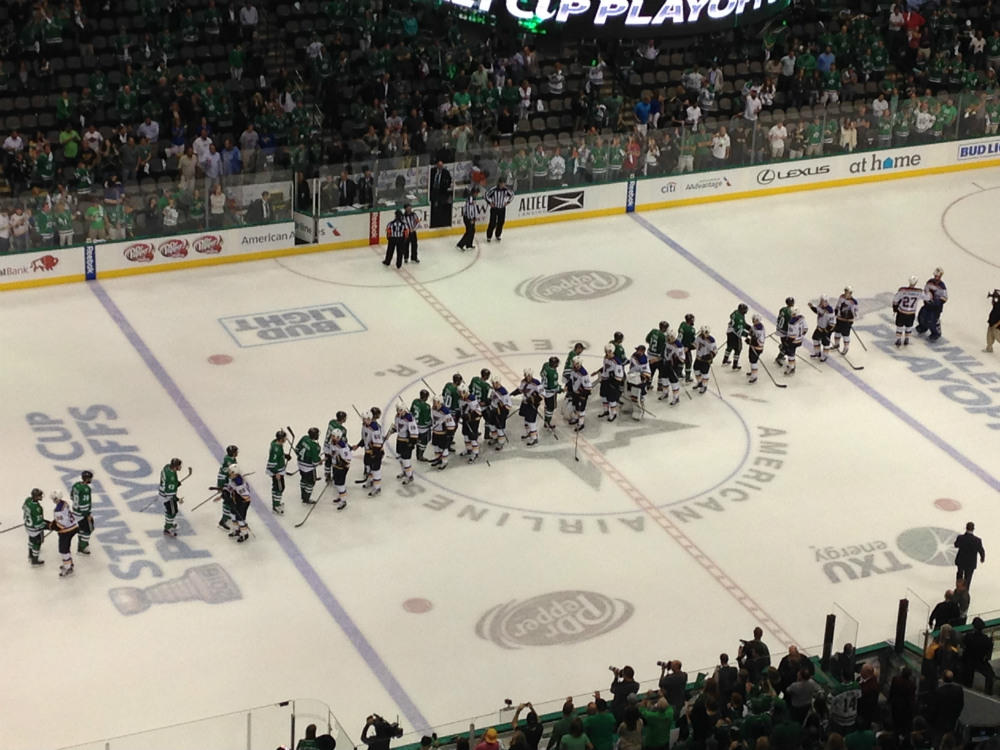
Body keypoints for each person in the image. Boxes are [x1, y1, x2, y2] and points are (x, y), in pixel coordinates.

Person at [960, 617, 995, 694]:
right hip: (980, 662)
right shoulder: (986, 639)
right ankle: (988, 692)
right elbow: (988, 655)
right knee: (990, 675)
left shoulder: (968, 636)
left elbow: (962, 647)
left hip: (967, 661)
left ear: (974, 627)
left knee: (966, 678)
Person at [386, 404, 418, 482]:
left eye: (400, 410)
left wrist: (411, 443)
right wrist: (390, 433)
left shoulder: (409, 419)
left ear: (404, 410)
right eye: (397, 410)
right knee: (400, 458)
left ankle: (410, 476)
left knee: (406, 460)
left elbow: (414, 433)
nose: (398, 411)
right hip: (399, 440)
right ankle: (404, 471)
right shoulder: (397, 417)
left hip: (407, 442)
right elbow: (398, 428)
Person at [512, 368, 543, 445]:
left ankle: (534, 438)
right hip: (525, 403)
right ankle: (529, 433)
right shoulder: (523, 381)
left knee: (531, 421)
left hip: (532, 405)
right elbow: (521, 390)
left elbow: (542, 395)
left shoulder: (537, 383)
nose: (528, 377)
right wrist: (514, 393)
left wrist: (535, 400)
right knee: (526, 419)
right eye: (526, 375)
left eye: (529, 375)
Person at [52, 490, 79, 577]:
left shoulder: (58, 510)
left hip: (67, 530)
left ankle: (68, 568)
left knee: (63, 550)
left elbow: (62, 524)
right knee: (66, 547)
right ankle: (70, 564)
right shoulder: (64, 503)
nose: (53, 500)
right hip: (74, 526)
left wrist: (54, 526)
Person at [916, 267, 947, 340]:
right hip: (927, 305)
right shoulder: (930, 282)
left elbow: (944, 298)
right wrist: (926, 298)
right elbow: (926, 290)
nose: (936, 278)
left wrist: (937, 302)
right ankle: (923, 327)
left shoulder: (942, 286)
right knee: (921, 316)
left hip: (936, 308)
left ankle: (936, 333)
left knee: (932, 321)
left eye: (938, 276)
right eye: (935, 276)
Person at [892, 276, 924, 348]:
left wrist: (894, 308)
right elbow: (927, 297)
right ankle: (907, 339)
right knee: (908, 326)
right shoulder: (919, 292)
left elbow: (895, 300)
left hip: (902, 311)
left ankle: (898, 340)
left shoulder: (903, 291)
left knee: (899, 326)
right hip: (911, 313)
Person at [359, 411, 385, 496]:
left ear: (369, 419)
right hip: (368, 451)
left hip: (376, 452)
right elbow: (364, 438)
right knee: (368, 466)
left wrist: (374, 453)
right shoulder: (364, 426)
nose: (363, 420)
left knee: (375, 469)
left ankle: (377, 487)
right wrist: (359, 445)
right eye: (363, 419)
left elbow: (378, 444)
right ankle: (370, 481)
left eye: (364, 419)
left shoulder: (375, 428)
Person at [597, 344, 625, 422]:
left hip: (612, 383)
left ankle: (613, 413)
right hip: (605, 380)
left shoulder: (617, 362)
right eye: (606, 351)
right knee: (603, 396)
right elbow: (605, 367)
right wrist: (600, 373)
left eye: (609, 351)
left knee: (612, 399)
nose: (607, 353)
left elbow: (620, 376)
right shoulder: (605, 358)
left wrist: (614, 383)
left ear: (612, 351)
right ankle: (606, 410)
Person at [954, 521, 985, 589]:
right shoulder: (977, 540)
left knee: (959, 574)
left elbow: (956, 545)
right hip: (971, 563)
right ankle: (965, 592)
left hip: (961, 560)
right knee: (968, 577)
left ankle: (958, 589)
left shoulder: (960, 537)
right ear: (973, 529)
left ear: (966, 528)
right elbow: (981, 550)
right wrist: (982, 558)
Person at [70, 469, 94, 555]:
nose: (91, 479)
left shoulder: (76, 485)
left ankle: (81, 544)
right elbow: (85, 503)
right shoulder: (86, 489)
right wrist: (87, 514)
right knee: (88, 530)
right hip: (82, 514)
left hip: (75, 512)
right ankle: (82, 548)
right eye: (90, 478)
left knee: (82, 529)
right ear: (87, 479)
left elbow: (72, 496)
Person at [225, 463, 252, 542]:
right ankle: (236, 530)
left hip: (243, 502)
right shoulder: (233, 479)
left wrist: (230, 499)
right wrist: (225, 491)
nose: (229, 473)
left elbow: (246, 496)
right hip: (237, 500)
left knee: (240, 518)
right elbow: (230, 487)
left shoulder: (240, 483)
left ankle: (244, 533)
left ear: (235, 473)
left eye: (230, 472)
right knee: (233, 514)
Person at [295, 428, 322, 503]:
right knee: (311, 482)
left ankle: (303, 495)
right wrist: (320, 461)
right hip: (309, 468)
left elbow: (297, 449)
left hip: (300, 464)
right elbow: (315, 462)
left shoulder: (304, 438)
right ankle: (306, 499)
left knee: (303, 479)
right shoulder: (315, 446)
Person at [159, 457, 184, 537]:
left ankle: (169, 524)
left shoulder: (167, 467)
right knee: (172, 512)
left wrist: (176, 483)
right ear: (175, 466)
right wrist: (178, 499)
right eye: (179, 466)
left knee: (172, 511)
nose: (180, 467)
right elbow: (170, 494)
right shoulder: (171, 479)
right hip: (167, 497)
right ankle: (167, 529)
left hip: (163, 493)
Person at [23, 488, 48, 566]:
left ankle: (30, 554)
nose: (41, 496)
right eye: (40, 495)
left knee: (31, 540)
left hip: (28, 526)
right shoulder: (37, 508)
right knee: (37, 543)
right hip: (35, 529)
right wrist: (47, 525)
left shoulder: (27, 500)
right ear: (36, 497)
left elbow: (23, 508)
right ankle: (35, 560)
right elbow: (38, 524)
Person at [216, 444, 239, 531]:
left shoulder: (231, 459)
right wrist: (221, 487)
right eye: (236, 451)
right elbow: (222, 475)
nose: (237, 453)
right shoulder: (229, 463)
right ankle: (223, 521)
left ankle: (227, 515)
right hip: (226, 485)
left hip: (230, 484)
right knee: (227, 502)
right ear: (233, 453)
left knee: (231, 501)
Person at [267, 429, 289, 515]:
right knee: (280, 488)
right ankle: (276, 506)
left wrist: (284, 455)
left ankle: (276, 503)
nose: (286, 439)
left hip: (278, 471)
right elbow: (272, 462)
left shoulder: (276, 443)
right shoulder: (276, 449)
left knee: (276, 487)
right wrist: (276, 473)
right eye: (284, 438)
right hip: (277, 472)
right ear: (280, 439)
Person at [485, 177, 514, 242]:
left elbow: (512, 195)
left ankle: (498, 235)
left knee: (501, 222)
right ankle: (489, 236)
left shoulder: (506, 190)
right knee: (492, 223)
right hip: (494, 209)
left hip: (502, 209)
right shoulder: (494, 189)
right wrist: (490, 203)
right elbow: (486, 195)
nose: (503, 185)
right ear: (499, 183)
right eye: (502, 183)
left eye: (504, 183)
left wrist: (508, 202)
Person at [429, 397, 456, 469]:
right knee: (436, 447)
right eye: (433, 401)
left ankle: (444, 462)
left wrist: (449, 434)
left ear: (440, 402)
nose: (434, 403)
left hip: (442, 433)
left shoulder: (445, 411)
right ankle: (438, 459)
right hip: (435, 432)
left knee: (443, 448)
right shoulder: (433, 408)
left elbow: (451, 424)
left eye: (435, 402)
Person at [627, 345, 651, 420]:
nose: (637, 351)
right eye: (637, 350)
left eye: (639, 350)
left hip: (640, 380)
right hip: (632, 377)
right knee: (633, 394)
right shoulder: (634, 355)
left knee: (640, 395)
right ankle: (635, 407)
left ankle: (641, 408)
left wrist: (644, 376)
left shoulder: (644, 359)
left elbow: (645, 372)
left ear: (643, 351)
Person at [808, 296, 836, 361]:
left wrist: (826, 330)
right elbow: (817, 311)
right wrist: (811, 307)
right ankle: (817, 353)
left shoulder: (830, 311)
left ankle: (825, 355)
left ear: (826, 301)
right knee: (815, 338)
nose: (821, 302)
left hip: (826, 330)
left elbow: (832, 323)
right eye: (821, 300)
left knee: (825, 343)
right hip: (819, 327)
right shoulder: (820, 307)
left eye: (822, 301)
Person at [567, 358, 592, 432]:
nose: (574, 365)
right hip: (575, 393)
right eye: (574, 363)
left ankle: (581, 423)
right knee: (575, 406)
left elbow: (588, 388)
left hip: (582, 394)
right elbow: (571, 380)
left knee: (581, 409)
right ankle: (576, 418)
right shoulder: (573, 370)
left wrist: (583, 395)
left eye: (576, 363)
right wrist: (567, 386)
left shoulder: (584, 374)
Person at [329, 429, 351, 510]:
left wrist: (341, 462)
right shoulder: (332, 442)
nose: (333, 438)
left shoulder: (343, 447)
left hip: (342, 468)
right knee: (336, 482)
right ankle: (340, 496)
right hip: (335, 466)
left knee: (340, 484)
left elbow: (348, 459)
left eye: (336, 437)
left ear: (339, 437)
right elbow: (333, 453)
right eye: (333, 436)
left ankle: (343, 501)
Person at [323, 412, 349, 482]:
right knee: (335, 461)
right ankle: (335, 475)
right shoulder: (342, 429)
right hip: (334, 447)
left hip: (326, 444)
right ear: (343, 419)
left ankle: (327, 474)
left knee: (327, 460)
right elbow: (343, 441)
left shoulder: (331, 422)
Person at [783, 309, 808, 376]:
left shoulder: (792, 322)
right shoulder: (802, 318)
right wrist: (801, 336)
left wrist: (787, 342)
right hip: (800, 340)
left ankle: (791, 368)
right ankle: (792, 365)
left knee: (791, 354)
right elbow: (806, 329)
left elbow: (792, 336)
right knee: (792, 353)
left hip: (793, 341)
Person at [723, 303, 748, 370]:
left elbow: (743, 324)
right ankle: (735, 365)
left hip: (729, 331)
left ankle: (725, 360)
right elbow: (739, 331)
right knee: (738, 349)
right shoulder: (739, 318)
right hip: (735, 334)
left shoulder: (736, 312)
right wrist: (747, 335)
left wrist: (749, 327)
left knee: (729, 346)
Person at [833, 287, 858, 355]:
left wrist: (850, 318)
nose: (845, 292)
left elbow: (855, 313)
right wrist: (835, 312)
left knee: (845, 335)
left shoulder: (853, 302)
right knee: (837, 332)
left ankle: (846, 348)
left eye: (847, 291)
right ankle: (836, 344)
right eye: (845, 291)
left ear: (850, 293)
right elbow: (838, 305)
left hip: (847, 321)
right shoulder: (841, 297)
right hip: (839, 319)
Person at [488, 377, 512, 448]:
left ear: (497, 383)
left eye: (494, 383)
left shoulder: (503, 392)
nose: (492, 384)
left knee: (499, 427)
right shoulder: (493, 389)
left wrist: (501, 412)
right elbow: (491, 398)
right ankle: (495, 438)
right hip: (493, 410)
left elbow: (508, 406)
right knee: (491, 424)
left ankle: (501, 442)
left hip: (500, 412)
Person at [540, 356, 562, 431]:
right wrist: (561, 389)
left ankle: (546, 420)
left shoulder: (546, 365)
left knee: (547, 406)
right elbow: (553, 386)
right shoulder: (553, 374)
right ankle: (547, 422)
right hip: (550, 393)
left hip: (544, 390)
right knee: (551, 408)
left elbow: (541, 374)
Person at [693, 326, 717, 395]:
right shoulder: (699, 337)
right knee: (696, 370)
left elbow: (714, 351)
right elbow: (695, 345)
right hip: (698, 358)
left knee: (704, 373)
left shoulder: (711, 340)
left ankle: (704, 386)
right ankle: (699, 382)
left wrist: (710, 357)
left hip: (705, 360)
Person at [429, 160, 453, 227]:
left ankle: (440, 221)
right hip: (433, 191)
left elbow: (449, 181)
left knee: (441, 206)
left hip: (442, 192)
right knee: (433, 206)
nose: (440, 167)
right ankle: (433, 221)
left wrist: (445, 186)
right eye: (439, 165)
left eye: (441, 166)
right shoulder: (432, 171)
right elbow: (430, 180)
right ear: (437, 165)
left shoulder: (446, 172)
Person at [411, 390, 432, 462]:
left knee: (417, 439)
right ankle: (420, 456)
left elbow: (411, 412)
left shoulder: (415, 402)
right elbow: (427, 421)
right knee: (424, 441)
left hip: (414, 427)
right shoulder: (426, 407)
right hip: (423, 428)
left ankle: (418, 453)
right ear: (426, 397)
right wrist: (431, 423)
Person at [746, 314, 766, 384]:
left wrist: (750, 342)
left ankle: (754, 376)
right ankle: (752, 372)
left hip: (757, 348)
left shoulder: (759, 329)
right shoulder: (756, 326)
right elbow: (751, 334)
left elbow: (758, 341)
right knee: (751, 359)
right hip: (754, 347)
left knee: (753, 361)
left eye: (754, 320)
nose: (753, 321)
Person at [775, 297, 794, 366]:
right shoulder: (790, 312)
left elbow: (779, 319)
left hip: (780, 329)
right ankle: (779, 357)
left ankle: (781, 348)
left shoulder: (782, 309)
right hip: (784, 331)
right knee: (786, 346)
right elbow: (790, 323)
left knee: (784, 343)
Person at [678, 314, 696, 383]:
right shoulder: (691, 330)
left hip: (678, 346)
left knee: (680, 360)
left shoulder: (682, 324)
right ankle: (688, 377)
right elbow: (692, 341)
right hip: (685, 348)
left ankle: (679, 373)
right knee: (689, 362)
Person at [985, 289, 1000, 354]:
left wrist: (997, 324)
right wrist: (993, 298)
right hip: (991, 323)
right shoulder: (996, 304)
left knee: (998, 337)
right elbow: (993, 304)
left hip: (997, 325)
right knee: (989, 336)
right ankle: (989, 348)